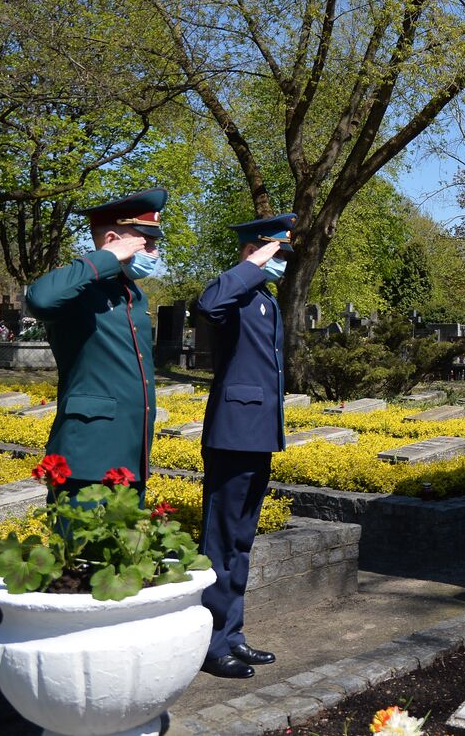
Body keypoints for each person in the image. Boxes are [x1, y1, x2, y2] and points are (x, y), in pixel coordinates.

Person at [195, 213, 295, 679]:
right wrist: (255, 263)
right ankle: (211, 642)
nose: (281, 263)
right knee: (219, 542)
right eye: (277, 252)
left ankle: (231, 632)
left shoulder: (264, 301)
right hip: (233, 433)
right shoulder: (233, 294)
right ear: (255, 250)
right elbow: (208, 301)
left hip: (257, 434)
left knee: (240, 541)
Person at [25, 188, 166, 498]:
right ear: (114, 241)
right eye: (147, 243)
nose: (154, 253)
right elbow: (40, 298)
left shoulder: (132, 294)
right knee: (79, 546)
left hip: (131, 458)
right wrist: (106, 257)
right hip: (85, 457)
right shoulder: (78, 290)